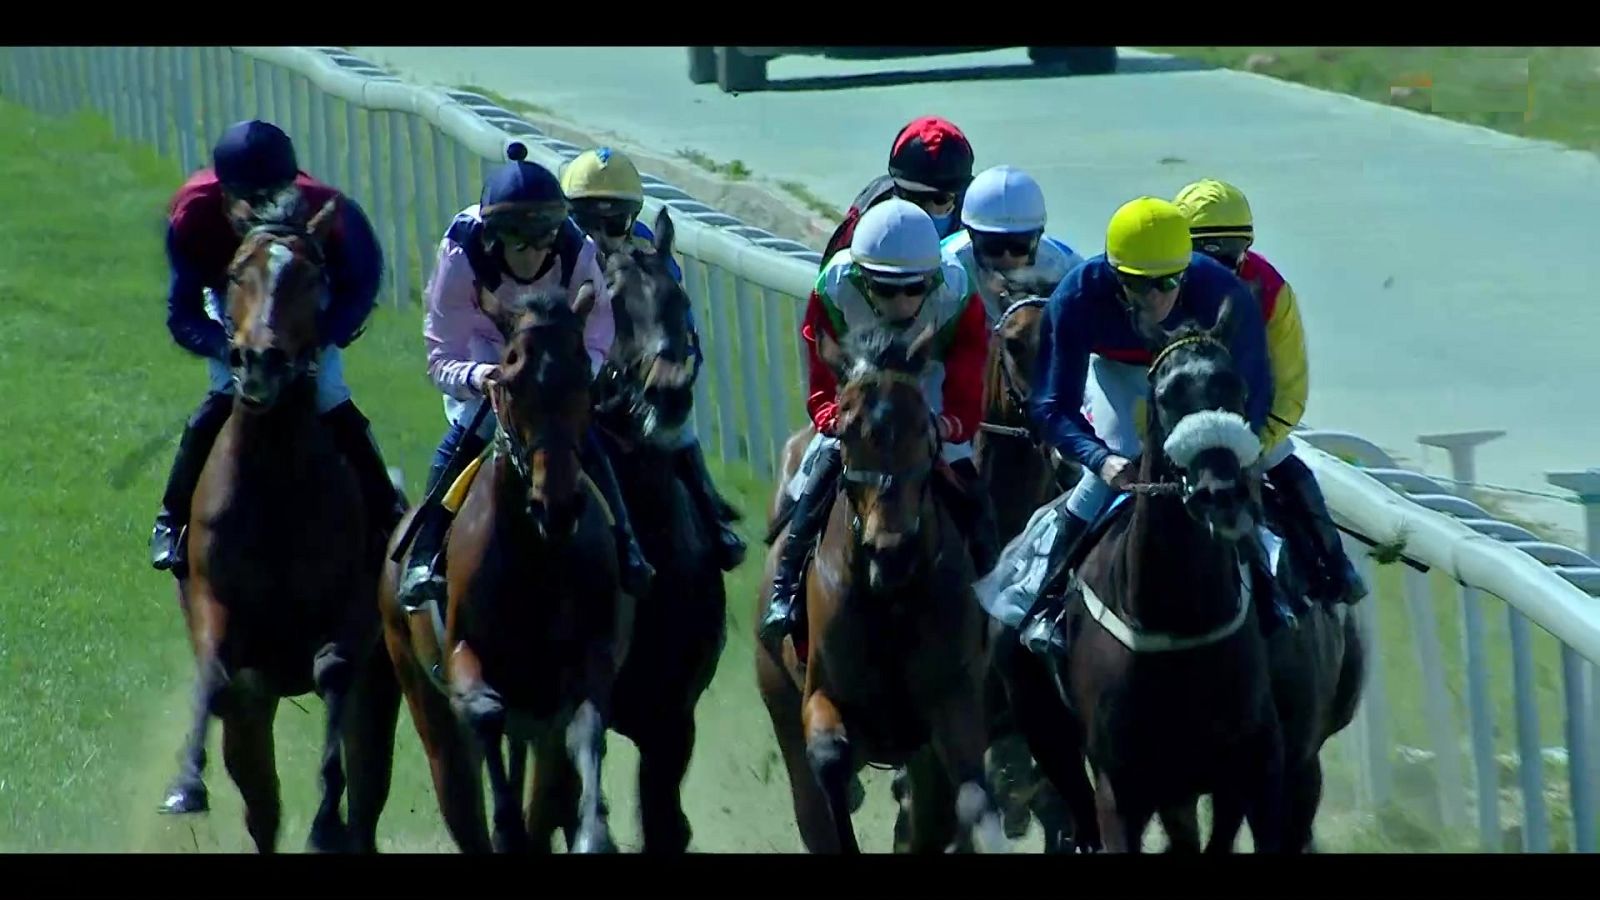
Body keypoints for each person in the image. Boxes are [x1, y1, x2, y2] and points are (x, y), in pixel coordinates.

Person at [395, 142, 653, 614]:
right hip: (485, 346)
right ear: (494, 238)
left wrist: (577, 378)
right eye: (520, 241)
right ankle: (424, 552)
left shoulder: (578, 251)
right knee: (478, 424)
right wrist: (482, 377)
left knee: (576, 427)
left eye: (543, 240)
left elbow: (597, 338)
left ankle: (626, 541)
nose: (535, 253)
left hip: (556, 349)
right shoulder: (460, 254)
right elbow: (440, 357)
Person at [1018, 196, 1275, 655]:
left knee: (1252, 469)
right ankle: (1047, 602)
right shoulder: (1077, 296)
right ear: (1115, 274)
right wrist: (1100, 460)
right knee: (1100, 483)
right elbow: (1052, 404)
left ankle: (1279, 592)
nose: (1155, 296)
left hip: (1199, 381)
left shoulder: (1222, 290)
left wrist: (1234, 447)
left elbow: (1255, 388)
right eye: (1139, 284)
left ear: (1187, 268)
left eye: (1169, 282)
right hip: (1117, 372)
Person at [151, 119, 404, 578]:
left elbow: (362, 284)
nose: (262, 209)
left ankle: (387, 510)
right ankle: (172, 518)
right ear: (225, 192)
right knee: (226, 393)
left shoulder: (331, 211)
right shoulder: (192, 215)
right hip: (233, 300)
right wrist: (224, 345)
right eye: (250, 198)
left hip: (304, 299)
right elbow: (182, 312)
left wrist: (321, 338)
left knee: (328, 392)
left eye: (274, 195)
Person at [759, 198, 996, 654]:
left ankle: (992, 600)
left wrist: (950, 424)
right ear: (863, 280)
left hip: (926, 386)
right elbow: (820, 364)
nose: (901, 303)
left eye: (913, 289)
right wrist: (831, 418)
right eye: (885, 290)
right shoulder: (832, 288)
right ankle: (785, 589)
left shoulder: (958, 293)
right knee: (814, 473)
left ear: (932, 278)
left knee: (971, 487)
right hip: (857, 389)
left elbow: (968, 370)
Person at [1173, 177, 1366, 607]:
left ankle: (1332, 566)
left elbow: (1291, 387)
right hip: (1166, 423)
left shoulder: (1272, 292)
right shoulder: (1157, 282)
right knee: (1099, 477)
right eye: (1206, 254)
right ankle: (1046, 583)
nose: (1223, 268)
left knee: (1291, 471)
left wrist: (1252, 446)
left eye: (1234, 253)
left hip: (1247, 421)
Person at [559, 146, 747, 571]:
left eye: (615, 223)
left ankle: (710, 513)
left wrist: (677, 368)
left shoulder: (651, 255)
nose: (601, 237)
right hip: (561, 391)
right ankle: (436, 535)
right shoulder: (552, 255)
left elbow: (683, 330)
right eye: (585, 223)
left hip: (629, 391)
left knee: (675, 431)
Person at [819, 116, 976, 266]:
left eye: (939, 200)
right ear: (896, 190)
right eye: (913, 199)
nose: (923, 212)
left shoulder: (979, 221)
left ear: (958, 196)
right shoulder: (870, 211)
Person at [939, 164, 1084, 321]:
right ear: (971, 235)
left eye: (1019, 246)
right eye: (993, 246)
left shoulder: (1066, 268)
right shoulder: (948, 268)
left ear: (1038, 237)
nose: (1006, 257)